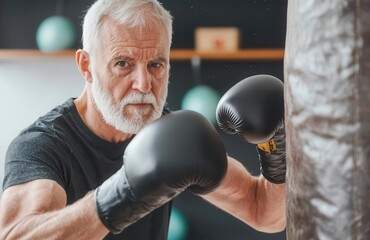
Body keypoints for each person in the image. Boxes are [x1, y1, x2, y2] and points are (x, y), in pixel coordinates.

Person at [0, 0, 286, 239]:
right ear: (86, 66)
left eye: (155, 65)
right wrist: (122, 195)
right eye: (123, 63)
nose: (144, 84)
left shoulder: (171, 135)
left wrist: (276, 150)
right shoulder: (42, 146)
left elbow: (265, 214)